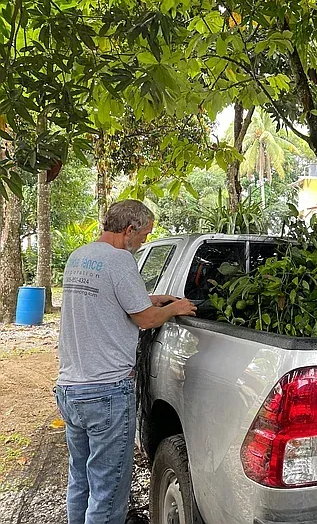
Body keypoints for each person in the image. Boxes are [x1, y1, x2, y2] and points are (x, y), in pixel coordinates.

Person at [55, 200, 197, 524]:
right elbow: (146, 320)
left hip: (70, 389)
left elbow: (106, 301)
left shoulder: (79, 257)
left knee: (81, 480)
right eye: (144, 234)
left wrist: (150, 299)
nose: (145, 241)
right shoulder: (120, 260)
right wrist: (174, 308)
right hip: (105, 392)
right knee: (108, 493)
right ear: (129, 230)